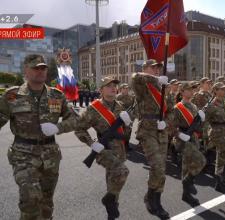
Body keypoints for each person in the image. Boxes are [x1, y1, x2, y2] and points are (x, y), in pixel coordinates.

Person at [41, 76, 132, 220]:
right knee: (122, 172)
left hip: (120, 149)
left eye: (115, 85)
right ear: (101, 90)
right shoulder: (94, 108)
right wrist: (91, 143)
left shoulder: (120, 106)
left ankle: (111, 212)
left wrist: (127, 124)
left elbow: (125, 134)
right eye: (109, 85)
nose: (113, 88)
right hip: (104, 149)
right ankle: (109, 201)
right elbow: (79, 129)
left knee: (114, 182)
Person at [0, 54, 76, 220]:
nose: (40, 71)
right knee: (31, 197)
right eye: (35, 68)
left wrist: (59, 127)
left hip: (50, 156)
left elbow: (75, 119)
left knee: (46, 202)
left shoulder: (57, 95)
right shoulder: (12, 96)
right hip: (23, 154)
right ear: (26, 71)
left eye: (43, 68)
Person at [131, 59, 170, 219]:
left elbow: (171, 110)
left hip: (161, 129)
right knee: (157, 166)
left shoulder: (161, 88)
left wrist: (165, 122)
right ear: (145, 68)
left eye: (158, 68)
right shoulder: (143, 85)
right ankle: (151, 199)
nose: (156, 70)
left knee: (161, 169)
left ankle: (155, 198)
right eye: (153, 68)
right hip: (147, 129)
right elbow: (135, 77)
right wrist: (155, 79)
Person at [172, 82, 206, 206]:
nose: (192, 92)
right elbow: (171, 126)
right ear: (182, 92)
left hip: (193, 138)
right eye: (188, 89)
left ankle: (186, 195)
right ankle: (187, 182)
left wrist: (202, 119)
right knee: (201, 161)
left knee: (187, 166)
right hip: (182, 139)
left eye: (193, 89)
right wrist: (179, 134)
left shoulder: (194, 106)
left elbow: (198, 125)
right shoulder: (177, 107)